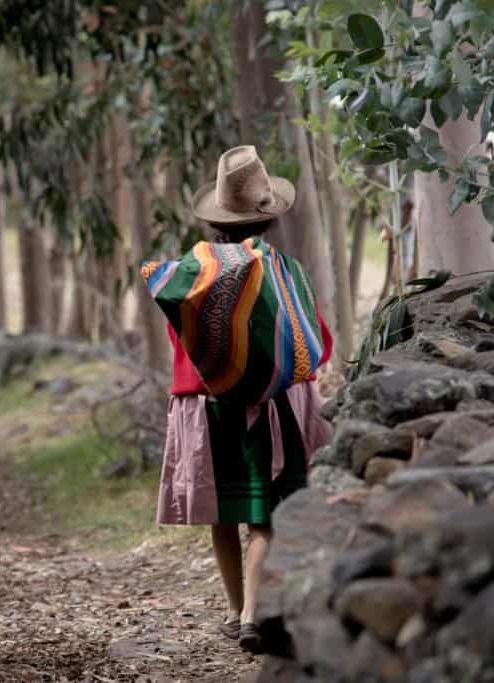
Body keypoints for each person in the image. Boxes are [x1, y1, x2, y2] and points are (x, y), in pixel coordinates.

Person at [140, 146, 333, 654]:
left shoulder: (191, 272)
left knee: (223, 514)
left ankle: (232, 611)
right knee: (264, 515)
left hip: (203, 410)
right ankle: (252, 615)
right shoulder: (284, 272)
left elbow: (184, 341)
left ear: (217, 220)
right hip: (270, 408)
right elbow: (317, 343)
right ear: (267, 219)